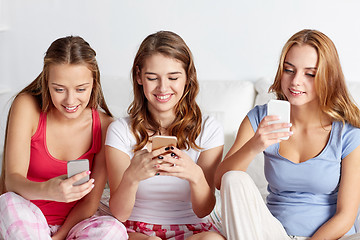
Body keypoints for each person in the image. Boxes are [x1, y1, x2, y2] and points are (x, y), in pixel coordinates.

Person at [215, 29, 360, 240]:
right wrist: (255, 145)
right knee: (235, 178)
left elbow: (346, 215)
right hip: (274, 233)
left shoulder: (347, 132)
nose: (295, 81)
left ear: (328, 78)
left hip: (329, 238)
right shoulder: (259, 118)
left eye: (310, 74)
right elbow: (221, 182)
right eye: (289, 70)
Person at [0, 36, 127, 240]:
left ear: (94, 84)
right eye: (59, 89)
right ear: (46, 82)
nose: (70, 100)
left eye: (80, 89)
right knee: (6, 203)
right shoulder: (27, 107)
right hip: (26, 218)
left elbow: (90, 203)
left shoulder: (105, 126)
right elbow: (12, 181)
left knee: (114, 230)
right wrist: (48, 190)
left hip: (75, 226)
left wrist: (59, 236)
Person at [105, 31, 226, 240]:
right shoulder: (120, 130)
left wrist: (195, 175)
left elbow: (204, 210)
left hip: (194, 228)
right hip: (138, 230)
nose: (162, 88)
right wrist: (132, 177)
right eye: (152, 78)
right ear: (139, 76)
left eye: (173, 77)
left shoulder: (209, 128)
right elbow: (119, 213)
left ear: (187, 77)